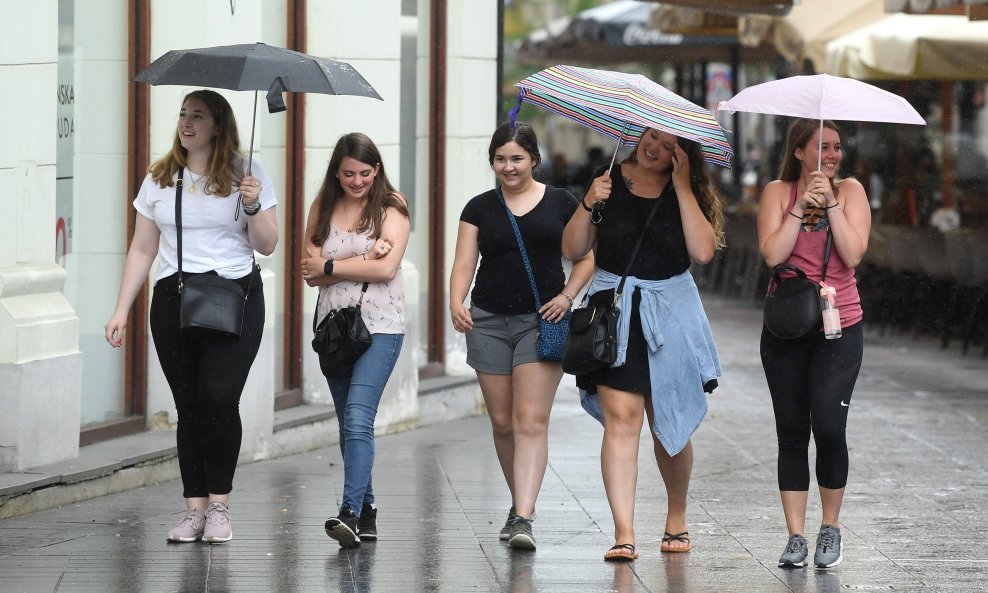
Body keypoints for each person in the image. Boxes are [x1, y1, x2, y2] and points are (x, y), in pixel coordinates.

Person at [105, 89, 279, 544]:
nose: (186, 123)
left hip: (235, 297)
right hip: (173, 299)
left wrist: (254, 204)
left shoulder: (248, 173)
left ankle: (220, 505)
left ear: (218, 126)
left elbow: (268, 244)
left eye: (197, 116)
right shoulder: (161, 177)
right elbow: (143, 247)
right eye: (183, 115)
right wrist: (122, 308)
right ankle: (194, 510)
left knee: (219, 398)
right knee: (189, 406)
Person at [561, 127, 724, 562]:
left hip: (670, 313)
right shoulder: (609, 177)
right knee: (622, 419)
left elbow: (703, 252)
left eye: (669, 144)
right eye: (652, 137)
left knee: (666, 420)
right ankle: (624, 532)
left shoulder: (684, 190)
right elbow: (574, 246)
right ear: (639, 134)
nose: (655, 148)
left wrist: (684, 188)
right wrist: (589, 201)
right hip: (616, 315)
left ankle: (676, 514)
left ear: (682, 153)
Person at [449, 121, 594, 550]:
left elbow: (587, 258)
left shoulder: (562, 203)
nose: (508, 167)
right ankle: (518, 504)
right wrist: (456, 300)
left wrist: (568, 296)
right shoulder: (478, 207)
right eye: (500, 159)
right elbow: (464, 262)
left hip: (541, 321)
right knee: (502, 422)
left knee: (530, 421)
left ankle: (524, 515)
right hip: (488, 320)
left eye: (517, 158)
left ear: (534, 159)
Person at [757, 118, 870, 569]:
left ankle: (831, 527)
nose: (832, 154)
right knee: (791, 431)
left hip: (840, 326)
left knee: (827, 425)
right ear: (799, 152)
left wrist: (834, 207)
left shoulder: (853, 191)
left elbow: (854, 253)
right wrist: (800, 207)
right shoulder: (775, 192)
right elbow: (772, 254)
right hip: (785, 326)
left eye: (837, 147)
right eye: (821, 146)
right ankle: (796, 536)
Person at [300, 132, 410, 549]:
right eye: (348, 173)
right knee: (348, 424)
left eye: (365, 173)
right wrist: (364, 259)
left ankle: (347, 511)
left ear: (376, 170)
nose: (357, 181)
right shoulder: (323, 207)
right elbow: (310, 272)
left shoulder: (392, 208)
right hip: (333, 328)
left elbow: (387, 271)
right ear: (336, 172)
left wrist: (334, 263)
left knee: (359, 417)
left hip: (381, 326)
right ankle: (367, 512)